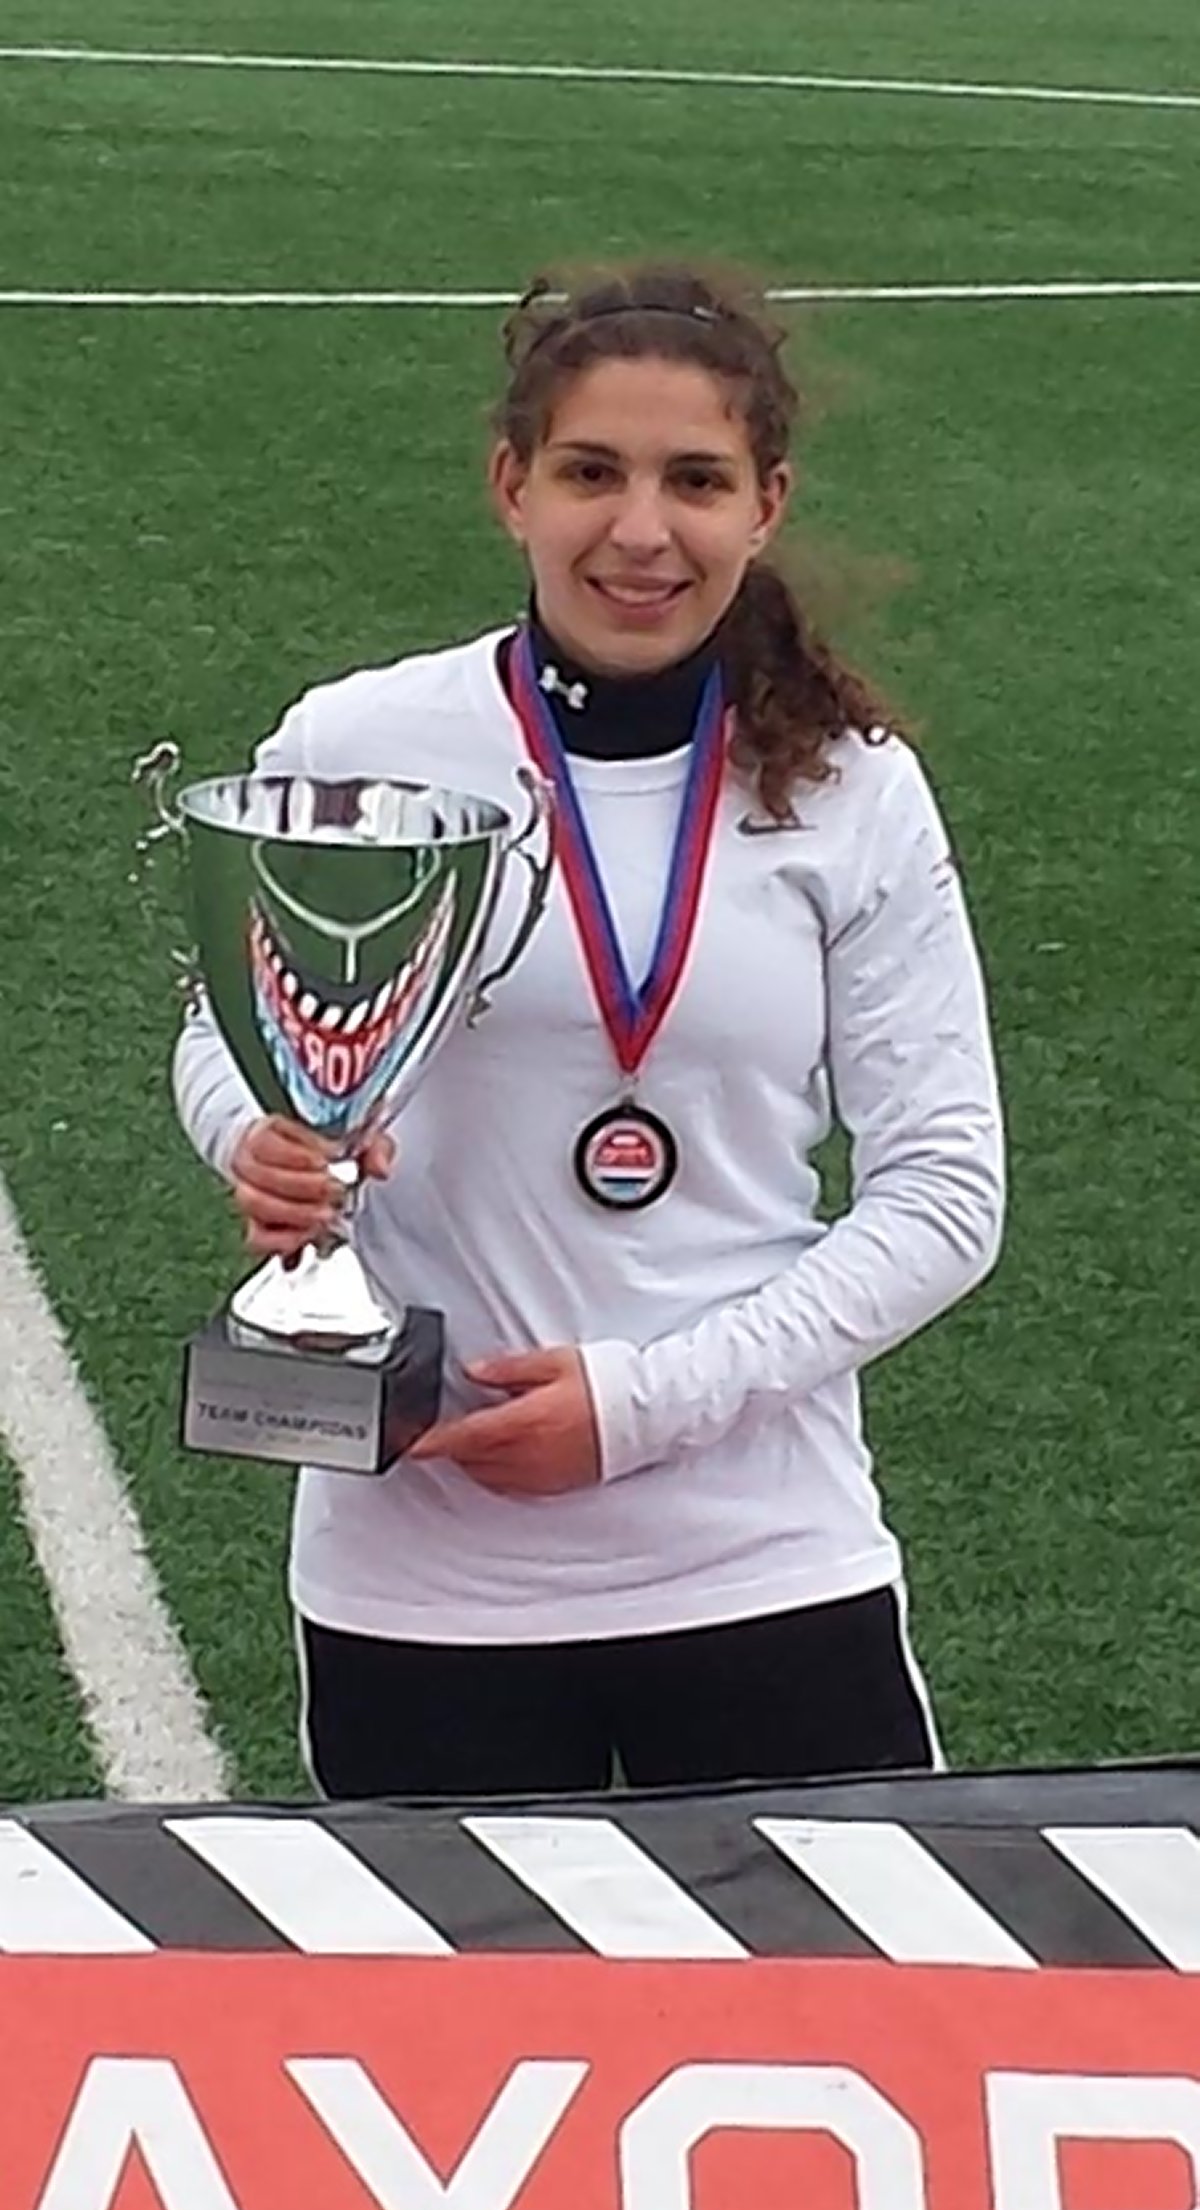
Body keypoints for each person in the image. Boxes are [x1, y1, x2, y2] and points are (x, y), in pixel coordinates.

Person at [173, 262, 1005, 1799]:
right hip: (421, 1572)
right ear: (513, 486)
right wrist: (264, 1135)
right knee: (444, 2046)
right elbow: (229, 1036)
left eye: (696, 480)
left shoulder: (851, 785)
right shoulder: (364, 744)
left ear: (766, 504)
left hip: (761, 1562)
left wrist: (639, 1410)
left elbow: (947, 1195)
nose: (641, 530)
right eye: (591, 473)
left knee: (818, 2036)